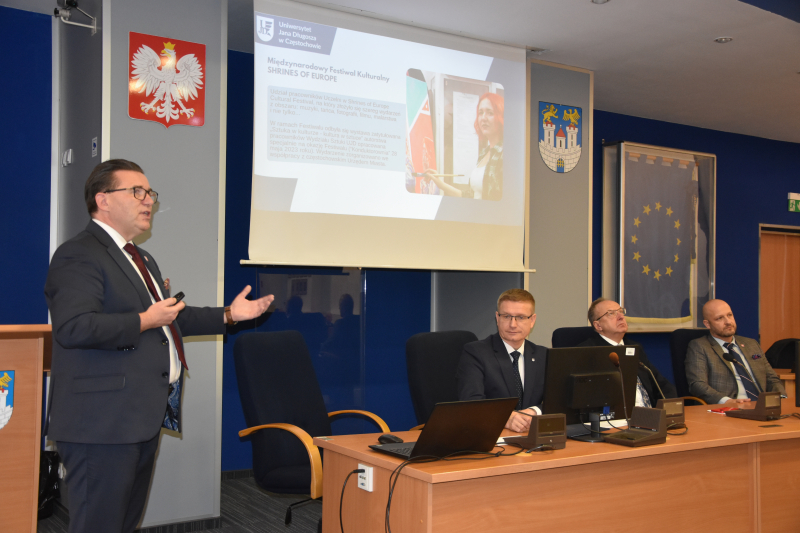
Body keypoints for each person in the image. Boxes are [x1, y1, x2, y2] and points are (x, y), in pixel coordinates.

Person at [44, 159, 275, 533]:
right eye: (136, 191)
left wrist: (230, 314)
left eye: (149, 192)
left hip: (139, 416)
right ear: (102, 199)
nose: (148, 199)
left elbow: (170, 319)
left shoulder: (139, 256)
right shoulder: (78, 254)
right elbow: (74, 327)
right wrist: (144, 320)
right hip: (101, 423)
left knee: (124, 522)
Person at [456, 289, 546, 432]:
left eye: (521, 317)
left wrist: (534, 411)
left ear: (532, 321)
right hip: (490, 435)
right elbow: (471, 402)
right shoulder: (476, 352)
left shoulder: (543, 355)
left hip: (531, 436)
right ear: (497, 318)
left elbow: (558, 401)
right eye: (506, 316)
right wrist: (506, 417)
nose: (513, 324)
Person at [686, 299, 786, 405]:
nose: (728, 322)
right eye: (719, 318)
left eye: (729, 315)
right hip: (729, 409)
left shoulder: (751, 344)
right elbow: (697, 384)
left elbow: (771, 378)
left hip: (762, 406)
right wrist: (727, 401)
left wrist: (781, 397)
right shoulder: (700, 346)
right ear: (707, 324)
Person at [580, 298, 677, 408]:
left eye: (621, 311)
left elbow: (660, 384)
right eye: (611, 314)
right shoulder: (587, 351)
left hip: (649, 416)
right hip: (614, 419)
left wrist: (671, 408)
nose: (621, 317)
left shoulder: (634, 347)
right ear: (598, 326)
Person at [428, 92, 503, 200]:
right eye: (480, 113)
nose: (483, 118)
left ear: (500, 117)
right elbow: (470, 196)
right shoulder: (484, 153)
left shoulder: (504, 155)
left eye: (490, 113)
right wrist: (440, 184)